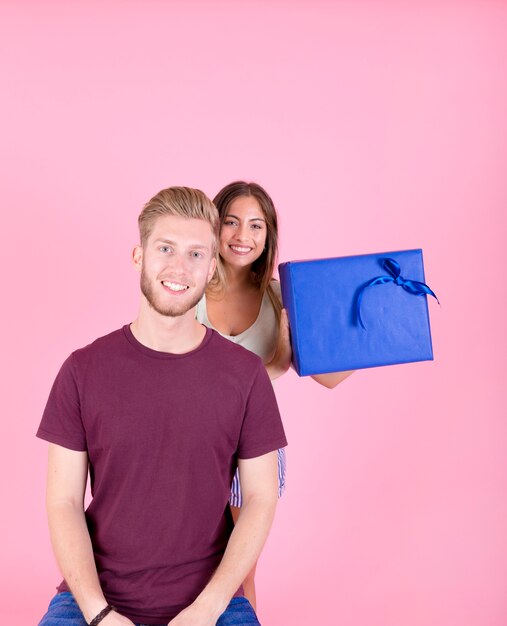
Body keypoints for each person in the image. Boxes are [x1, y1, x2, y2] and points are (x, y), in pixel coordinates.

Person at [36, 187, 287, 626]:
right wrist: (99, 614)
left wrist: (207, 610)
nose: (178, 267)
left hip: (214, 605)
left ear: (212, 268)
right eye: (165, 248)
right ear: (139, 256)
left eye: (195, 254)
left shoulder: (246, 376)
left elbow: (262, 498)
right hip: (93, 601)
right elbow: (63, 502)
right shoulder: (81, 370)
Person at [196, 181, 353, 609]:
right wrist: (274, 367)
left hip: (252, 445)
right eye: (231, 222)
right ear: (214, 226)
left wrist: (372, 328)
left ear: (269, 237)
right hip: (191, 443)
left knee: (240, 572)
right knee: (190, 562)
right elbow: (185, 378)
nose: (242, 236)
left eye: (256, 226)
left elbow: (330, 377)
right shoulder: (189, 288)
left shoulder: (280, 298)